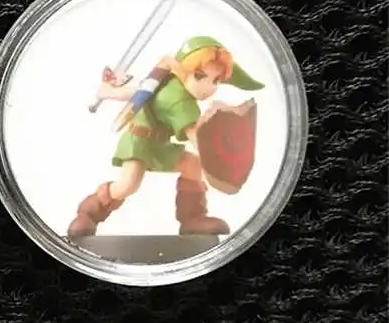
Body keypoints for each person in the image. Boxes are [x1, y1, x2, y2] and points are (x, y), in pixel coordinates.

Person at [67, 36, 263, 239]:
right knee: (127, 186)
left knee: (192, 165)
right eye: (199, 76)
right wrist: (216, 159)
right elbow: (197, 136)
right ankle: (88, 212)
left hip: (161, 144)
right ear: (183, 70)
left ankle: (193, 218)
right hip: (139, 142)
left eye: (216, 81)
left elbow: (138, 93)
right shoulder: (177, 99)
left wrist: (107, 92)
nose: (207, 87)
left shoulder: (169, 82)